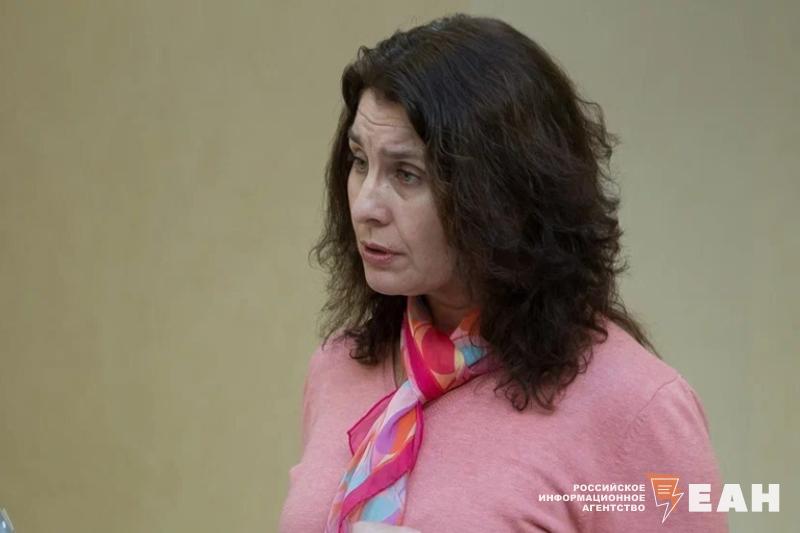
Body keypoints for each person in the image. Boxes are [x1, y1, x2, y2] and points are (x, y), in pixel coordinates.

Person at [279, 13, 727, 533]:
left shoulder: (635, 409)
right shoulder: (337, 367)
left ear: (500, 195)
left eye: (407, 174)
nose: (365, 206)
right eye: (360, 161)